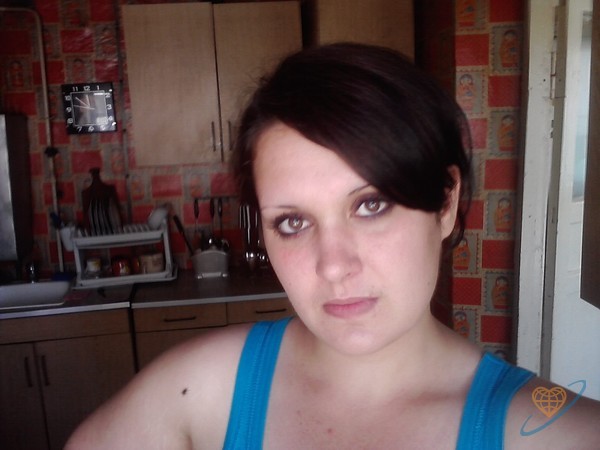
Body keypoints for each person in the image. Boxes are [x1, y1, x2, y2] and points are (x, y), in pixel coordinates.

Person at [66, 43, 600, 449]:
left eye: (371, 205)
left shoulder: (554, 430)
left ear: (445, 203)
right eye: (293, 221)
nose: (334, 266)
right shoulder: (201, 389)